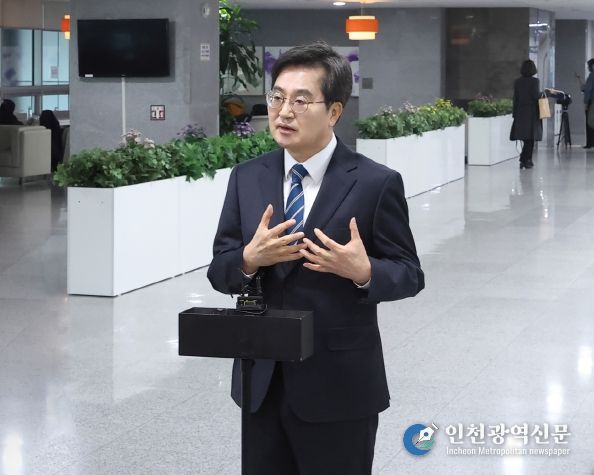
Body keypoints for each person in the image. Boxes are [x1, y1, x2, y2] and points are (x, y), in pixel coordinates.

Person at [207, 42, 424, 475]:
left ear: (334, 111)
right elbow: (220, 270)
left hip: (339, 383)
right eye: (277, 97)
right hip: (262, 381)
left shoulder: (375, 182)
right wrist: (249, 259)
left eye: (301, 100)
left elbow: (409, 274)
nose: (283, 112)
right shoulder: (247, 177)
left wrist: (363, 271)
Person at [510, 59, 543, 169]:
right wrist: (545, 93)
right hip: (531, 112)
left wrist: (514, 114)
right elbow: (535, 96)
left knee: (525, 138)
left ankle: (527, 160)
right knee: (530, 138)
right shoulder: (535, 81)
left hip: (520, 112)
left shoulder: (517, 82)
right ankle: (525, 159)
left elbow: (515, 98)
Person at [577, 58, 594, 149]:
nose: (588, 68)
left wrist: (586, 103)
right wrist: (579, 80)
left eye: (589, 66)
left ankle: (589, 143)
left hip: (592, 103)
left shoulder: (592, 75)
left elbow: (587, 90)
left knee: (589, 123)